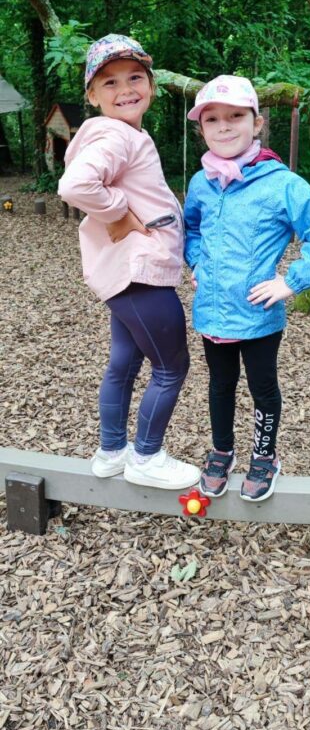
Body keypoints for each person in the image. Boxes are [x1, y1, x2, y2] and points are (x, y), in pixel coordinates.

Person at [184, 75, 310, 502]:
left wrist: (291, 281)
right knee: (220, 385)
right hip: (212, 311)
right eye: (212, 119)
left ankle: (264, 456)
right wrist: (197, 261)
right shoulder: (201, 182)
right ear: (201, 128)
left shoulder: (281, 183)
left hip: (257, 314)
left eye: (236, 116)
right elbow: (191, 229)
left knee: (263, 387)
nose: (224, 126)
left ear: (256, 123)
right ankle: (222, 451)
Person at [58, 34, 199, 490]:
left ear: (151, 86)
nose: (125, 90)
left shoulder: (125, 133)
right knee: (171, 367)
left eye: (135, 77)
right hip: (141, 274)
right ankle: (147, 457)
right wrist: (119, 212)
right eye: (110, 82)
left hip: (125, 276)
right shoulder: (116, 135)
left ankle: (112, 451)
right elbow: (74, 185)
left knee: (123, 363)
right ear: (92, 96)